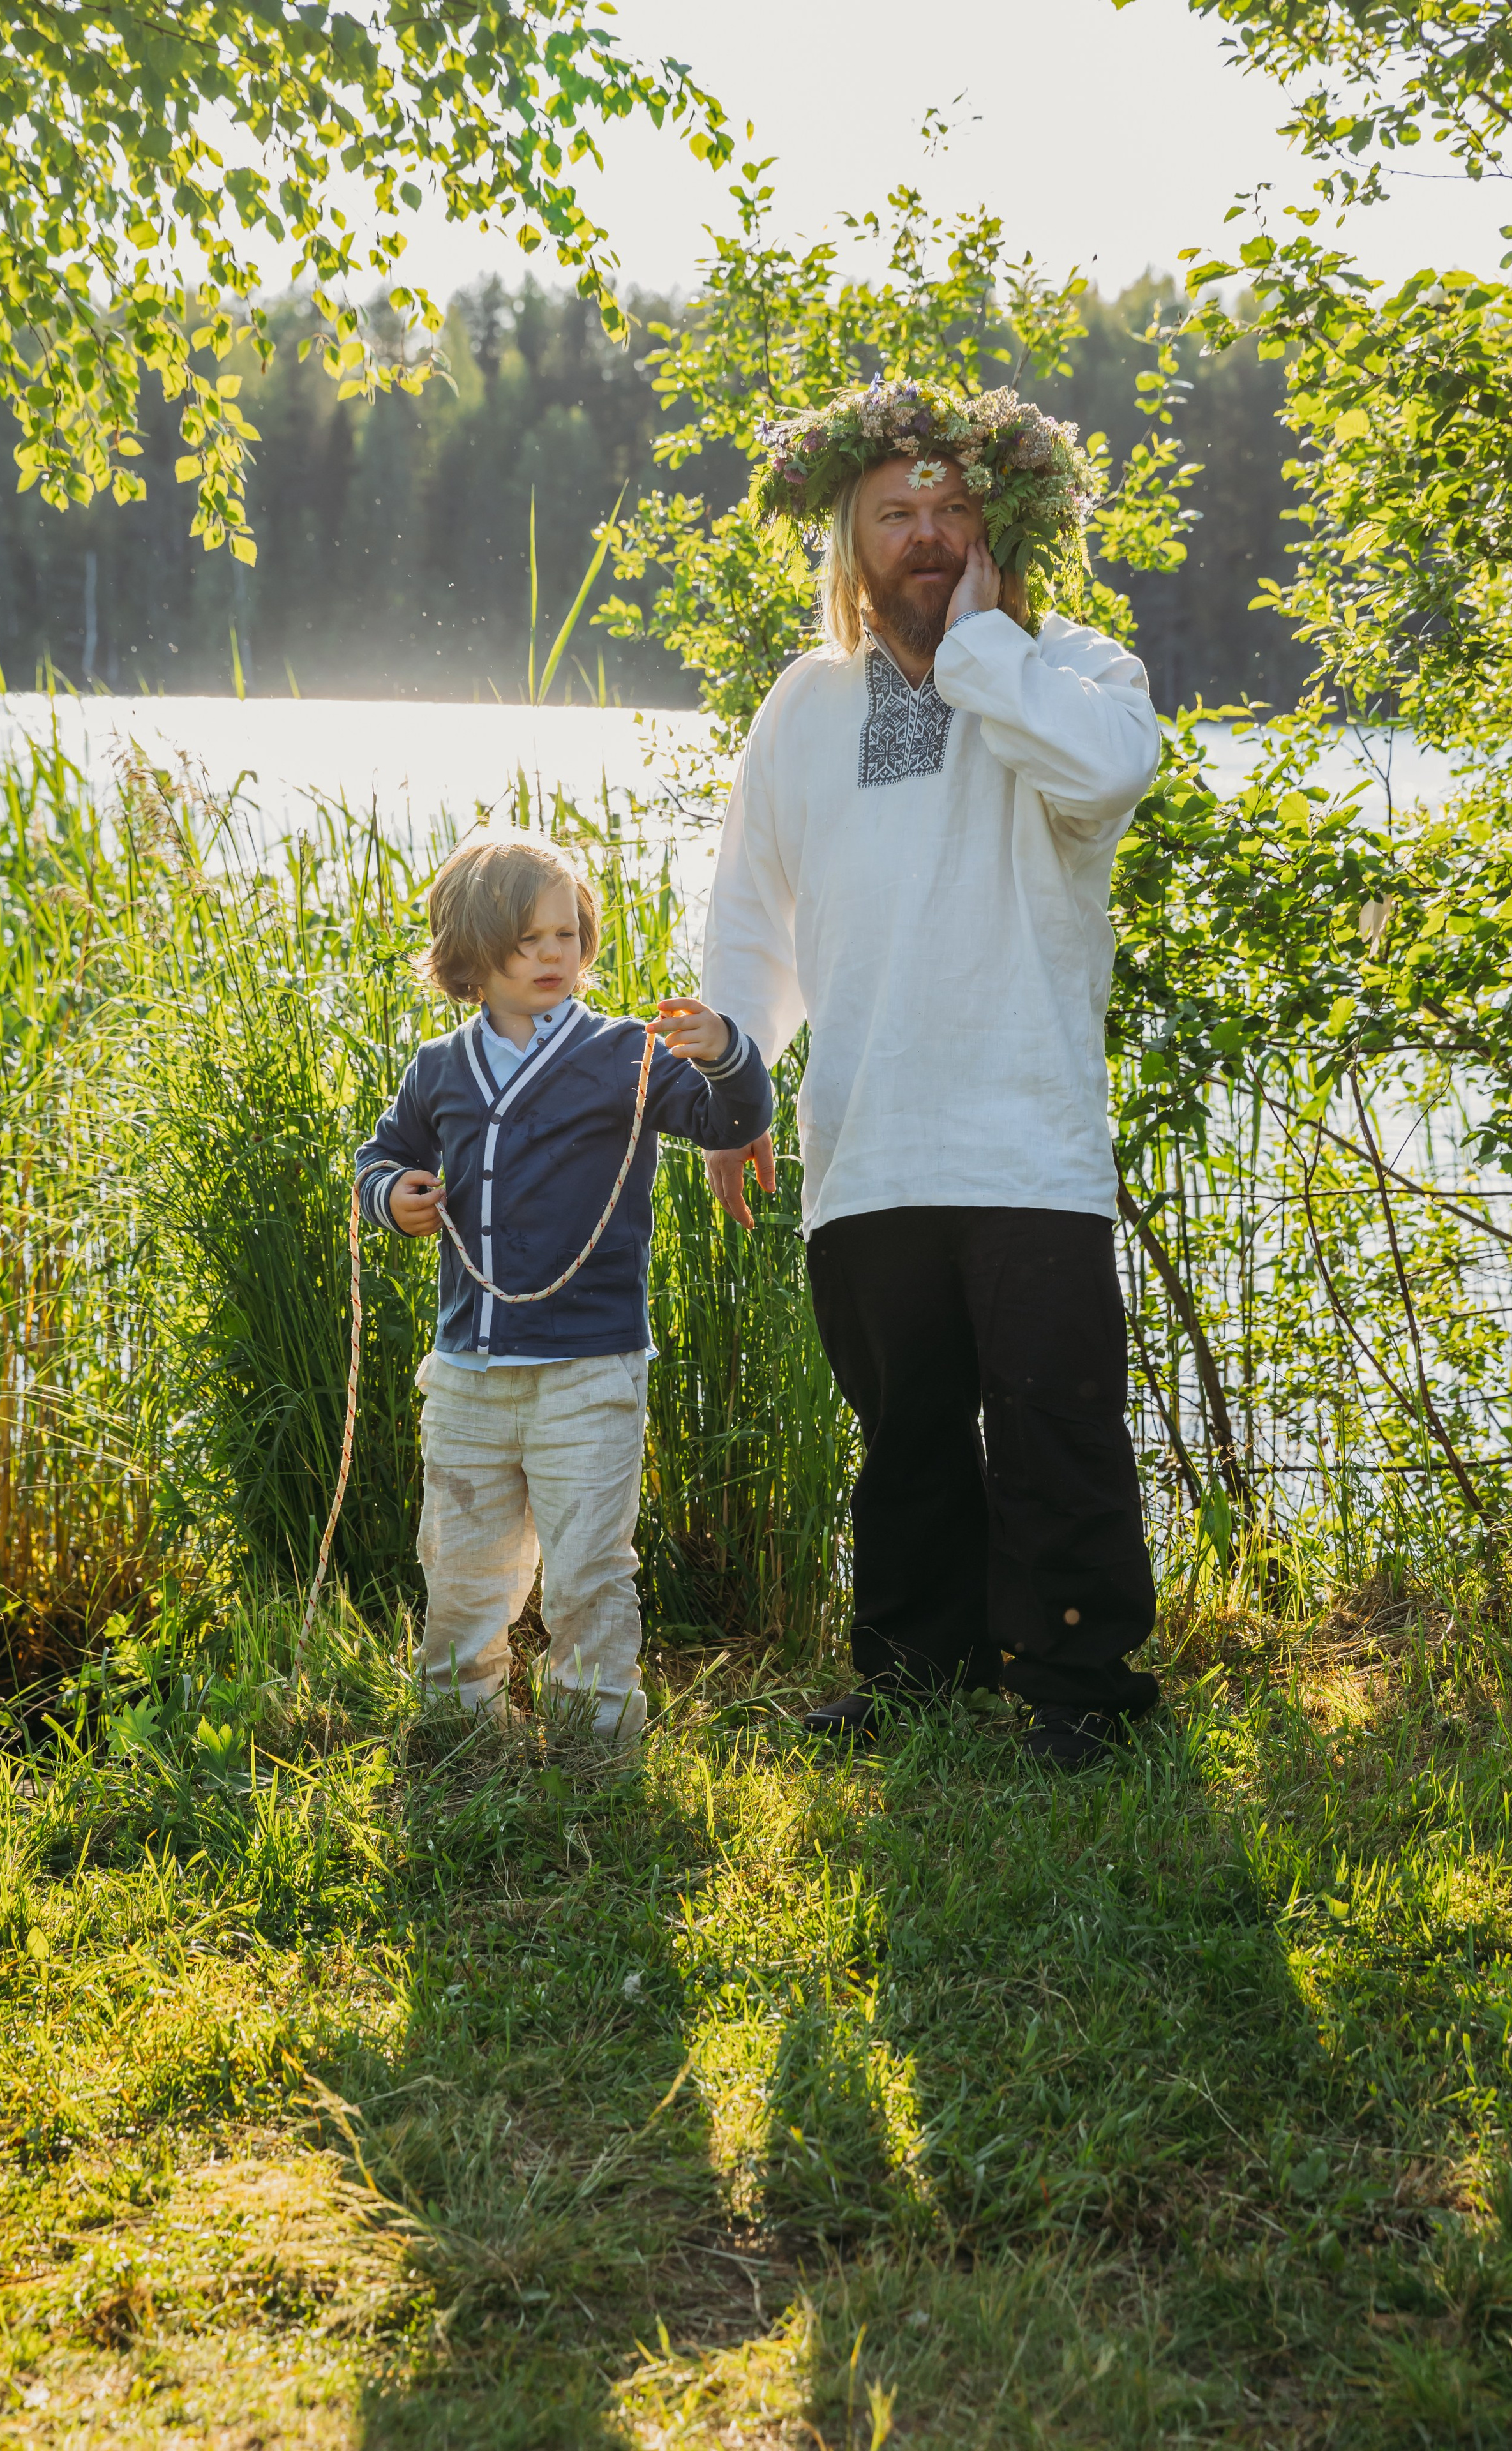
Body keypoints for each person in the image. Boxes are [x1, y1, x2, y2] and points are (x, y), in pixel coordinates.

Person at [701, 378, 1164, 1764]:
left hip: (1024, 1132)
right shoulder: (803, 701)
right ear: (848, 542)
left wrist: (979, 651)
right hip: (868, 1130)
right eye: (892, 514)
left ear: (999, 525)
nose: (922, 534)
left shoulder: (1073, 670)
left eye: (949, 509)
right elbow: (751, 912)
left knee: (1053, 1421)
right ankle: (914, 1666)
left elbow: (1102, 778)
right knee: (901, 1430)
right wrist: (735, 1088)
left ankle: (1082, 1690)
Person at [356, 832, 773, 1739]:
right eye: (525, 939)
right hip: (467, 1369)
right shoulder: (439, 1068)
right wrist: (393, 1195)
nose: (553, 955)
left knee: (589, 1567)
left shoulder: (626, 1054)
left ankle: (596, 1741)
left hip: (591, 1370)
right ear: (471, 953)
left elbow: (729, 1121)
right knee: (462, 1566)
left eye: (566, 936)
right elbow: (381, 1157)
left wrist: (726, 1051)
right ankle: (459, 1728)